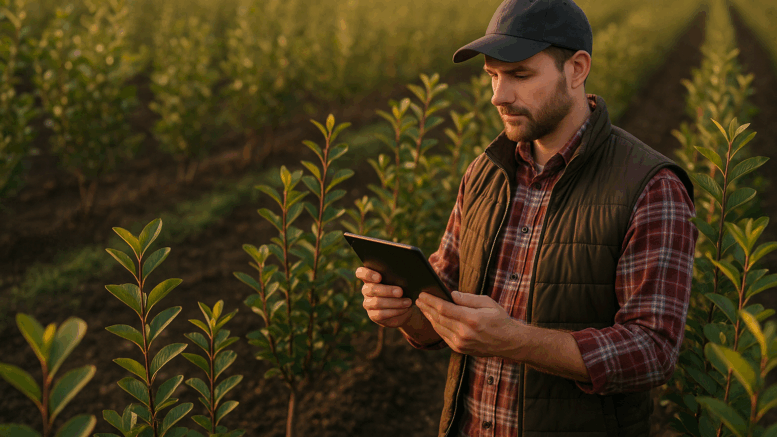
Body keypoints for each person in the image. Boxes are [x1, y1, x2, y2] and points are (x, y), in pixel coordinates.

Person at [355, 0, 698, 435]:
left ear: (576, 69)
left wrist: (513, 339)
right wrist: (405, 313)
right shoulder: (485, 173)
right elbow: (442, 311)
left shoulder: (650, 187)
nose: (499, 95)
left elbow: (653, 351)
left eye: (519, 75)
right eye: (493, 76)